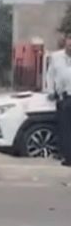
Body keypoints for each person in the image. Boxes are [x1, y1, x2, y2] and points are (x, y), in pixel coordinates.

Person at [46, 34, 71, 166]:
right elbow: (50, 75)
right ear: (65, 42)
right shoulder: (56, 57)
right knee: (64, 129)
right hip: (64, 97)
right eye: (69, 41)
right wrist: (50, 91)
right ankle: (67, 157)